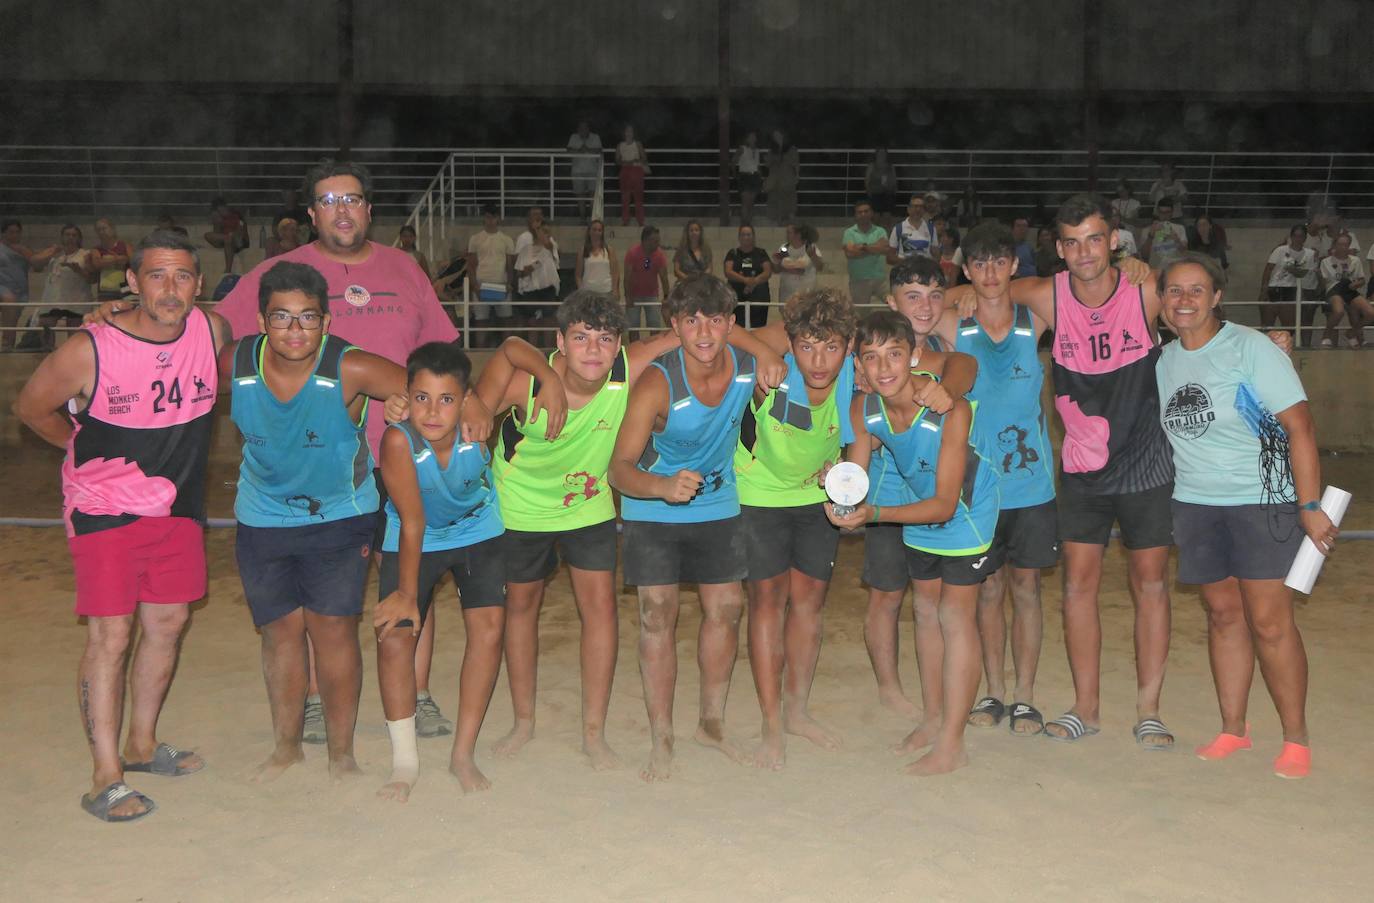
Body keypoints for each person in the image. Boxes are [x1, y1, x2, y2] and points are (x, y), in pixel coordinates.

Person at [15, 231, 231, 822]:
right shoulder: (91, 347)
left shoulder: (210, 333)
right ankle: (104, 777)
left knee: (168, 623)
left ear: (198, 284)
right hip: (105, 511)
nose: (170, 288)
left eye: (183, 275)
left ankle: (141, 745)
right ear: (131, 281)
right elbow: (31, 407)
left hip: (178, 508)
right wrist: (81, 453)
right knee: (110, 639)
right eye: (157, 275)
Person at [947, 195, 1177, 748]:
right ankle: (1086, 707)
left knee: (1150, 586)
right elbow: (975, 291)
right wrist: (956, 294)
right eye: (1072, 242)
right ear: (1057, 249)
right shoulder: (1046, 294)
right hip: (1080, 470)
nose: (1084, 252)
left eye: (1095, 239)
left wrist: (1274, 341)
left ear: (1115, 240)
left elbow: (1198, 319)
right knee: (1077, 588)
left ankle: (1149, 710)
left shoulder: (1145, 291)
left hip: (1146, 465)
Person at [479, 292, 692, 770]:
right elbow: (468, 412)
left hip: (589, 509)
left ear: (619, 346)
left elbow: (688, 334)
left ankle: (593, 733)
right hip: (519, 511)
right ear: (559, 342)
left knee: (600, 613)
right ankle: (524, 721)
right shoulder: (524, 384)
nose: (594, 350)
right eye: (581, 338)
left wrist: (762, 354)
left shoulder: (626, 370)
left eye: (605, 339)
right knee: (521, 610)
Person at [224, 261, 406, 785]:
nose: (295, 330)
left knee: (332, 632)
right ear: (262, 321)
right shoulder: (234, 364)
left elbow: (431, 392)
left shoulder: (350, 367)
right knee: (280, 634)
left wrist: (417, 405)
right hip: (261, 517)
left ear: (326, 322)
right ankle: (286, 748)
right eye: (282, 318)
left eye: (308, 318)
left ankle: (341, 755)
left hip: (340, 518)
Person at [1155, 253, 1335, 779]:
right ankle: (1234, 728)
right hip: (1195, 504)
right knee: (1224, 616)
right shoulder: (1163, 362)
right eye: (1174, 291)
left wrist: (1309, 505)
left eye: (1196, 290)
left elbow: (1300, 427)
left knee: (1271, 622)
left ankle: (1295, 736)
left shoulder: (1250, 348)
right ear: (1162, 300)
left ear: (1215, 298)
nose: (1184, 300)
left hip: (1263, 502)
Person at [607, 274, 770, 782]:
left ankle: (711, 722)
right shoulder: (657, 381)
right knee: (658, 615)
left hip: (716, 504)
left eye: (716, 320)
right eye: (692, 321)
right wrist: (660, 487)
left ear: (730, 324)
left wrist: (766, 351)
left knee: (726, 610)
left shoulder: (747, 368)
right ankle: (662, 736)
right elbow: (619, 468)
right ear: (674, 326)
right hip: (652, 506)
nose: (704, 332)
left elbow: (800, 335)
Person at [828, 310, 1000, 776]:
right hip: (918, 505)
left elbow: (946, 504)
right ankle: (932, 719)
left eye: (895, 355)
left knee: (953, 615)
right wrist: (841, 502)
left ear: (916, 356)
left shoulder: (950, 407)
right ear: (859, 368)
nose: (884, 368)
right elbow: (857, 476)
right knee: (924, 611)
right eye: (871, 358)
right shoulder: (863, 409)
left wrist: (875, 515)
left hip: (965, 510)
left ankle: (952, 742)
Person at [375, 342, 507, 798]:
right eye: (422, 398)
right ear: (407, 396)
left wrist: (545, 381)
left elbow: (512, 351)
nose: (433, 412)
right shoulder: (399, 439)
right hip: (415, 536)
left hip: (478, 531)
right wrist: (407, 596)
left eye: (447, 399)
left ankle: (463, 754)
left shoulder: (478, 423)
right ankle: (404, 763)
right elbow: (413, 521)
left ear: (466, 398)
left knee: (489, 630)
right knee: (395, 634)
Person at [733, 288, 858, 769]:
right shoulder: (778, 352)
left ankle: (797, 710)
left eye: (830, 346)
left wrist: (847, 485)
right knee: (768, 603)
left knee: (809, 604)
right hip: (758, 495)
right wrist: (766, 351)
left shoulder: (855, 369)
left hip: (816, 499)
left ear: (847, 346)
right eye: (806, 346)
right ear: (792, 341)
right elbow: (727, 328)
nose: (818, 359)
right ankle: (769, 722)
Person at [953, 224, 1058, 737]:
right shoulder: (956, 326)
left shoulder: (1034, 318)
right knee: (988, 591)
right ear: (967, 270)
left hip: (1032, 485)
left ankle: (1025, 697)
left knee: (1028, 588)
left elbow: (1082, 290)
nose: (991, 273)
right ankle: (993, 690)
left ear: (1015, 267)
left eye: (1000, 262)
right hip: (978, 489)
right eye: (980, 264)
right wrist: (960, 296)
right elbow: (915, 306)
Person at [860, 257, 975, 720]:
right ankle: (889, 686)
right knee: (887, 593)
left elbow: (964, 365)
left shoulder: (944, 356)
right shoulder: (870, 354)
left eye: (933, 297)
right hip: (887, 490)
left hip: (936, 494)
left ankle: (941, 701)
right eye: (912, 297)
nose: (925, 307)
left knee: (936, 602)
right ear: (892, 302)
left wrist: (947, 389)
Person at [29, 224, 95, 350]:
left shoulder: (85, 254)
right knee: (46, 326)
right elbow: (34, 262)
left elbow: (92, 279)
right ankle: (48, 354)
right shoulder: (54, 254)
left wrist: (78, 270)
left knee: (74, 336)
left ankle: (71, 359)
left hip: (76, 299)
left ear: (79, 238)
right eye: (67, 235)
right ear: (61, 237)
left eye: (74, 235)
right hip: (53, 298)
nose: (70, 238)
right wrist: (52, 251)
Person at [466, 205, 517, 349]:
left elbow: (510, 265)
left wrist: (509, 284)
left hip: (501, 283)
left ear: (498, 218)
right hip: (481, 283)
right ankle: (480, 352)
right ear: (484, 218)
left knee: (506, 319)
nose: (490, 221)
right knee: (481, 320)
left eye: (493, 217)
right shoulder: (475, 239)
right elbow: (470, 264)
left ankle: (509, 351)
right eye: (488, 217)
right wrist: (474, 285)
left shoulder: (506, 239)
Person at [1258, 224, 1316, 334]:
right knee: (1267, 325)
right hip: (1275, 287)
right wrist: (1263, 290)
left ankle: (1285, 345)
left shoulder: (1310, 254)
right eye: (1295, 236)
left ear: (1305, 238)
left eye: (1301, 236)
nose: (1298, 239)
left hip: (1292, 289)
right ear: (1291, 236)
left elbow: (1309, 274)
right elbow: (1268, 270)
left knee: (1290, 327)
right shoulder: (1280, 250)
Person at [1318, 232, 1372, 348]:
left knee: (1371, 313)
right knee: (1339, 311)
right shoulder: (1326, 262)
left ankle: (1351, 332)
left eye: (1346, 245)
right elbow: (1324, 283)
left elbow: (1362, 279)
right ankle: (1326, 335)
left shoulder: (1355, 260)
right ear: (1334, 245)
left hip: (1349, 289)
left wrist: (1356, 284)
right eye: (1340, 244)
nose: (1343, 247)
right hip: (1334, 289)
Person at [514, 208, 560, 337]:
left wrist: (547, 241)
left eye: (545, 231)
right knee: (532, 321)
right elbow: (519, 272)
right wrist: (526, 271)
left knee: (549, 320)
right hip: (531, 289)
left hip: (547, 287)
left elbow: (555, 259)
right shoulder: (525, 247)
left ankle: (548, 352)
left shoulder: (551, 245)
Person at [623, 225, 670, 337]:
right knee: (633, 326)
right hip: (634, 295)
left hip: (651, 294)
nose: (657, 243)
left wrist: (666, 297)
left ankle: (653, 352)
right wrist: (628, 296)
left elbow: (664, 278)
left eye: (658, 240)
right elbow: (627, 277)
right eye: (654, 241)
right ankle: (634, 352)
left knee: (655, 325)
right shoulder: (632, 253)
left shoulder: (659, 255)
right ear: (645, 240)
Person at [724, 224, 772, 328]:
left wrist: (754, 281)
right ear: (739, 237)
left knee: (757, 328)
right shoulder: (733, 253)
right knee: (737, 327)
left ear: (753, 236)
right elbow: (728, 272)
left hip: (759, 297)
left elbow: (767, 272)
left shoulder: (761, 253)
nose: (746, 237)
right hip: (737, 297)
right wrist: (745, 280)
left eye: (749, 234)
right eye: (743, 235)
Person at [843, 200, 890, 306]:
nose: (863, 214)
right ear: (855, 215)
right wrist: (874, 247)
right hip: (859, 280)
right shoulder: (849, 233)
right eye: (860, 212)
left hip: (880, 279)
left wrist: (862, 247)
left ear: (872, 213)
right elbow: (850, 254)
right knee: (862, 314)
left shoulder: (880, 231)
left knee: (891, 306)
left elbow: (885, 249)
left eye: (866, 211)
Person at [0, 219, 34, 351]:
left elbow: (37, 266)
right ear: (3, 234)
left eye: (17, 232)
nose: (14, 235)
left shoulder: (24, 250)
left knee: (12, 320)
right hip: (2, 286)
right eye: (10, 232)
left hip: (19, 290)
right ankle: (5, 343)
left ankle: (8, 347)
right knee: (9, 300)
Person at [773, 223, 822, 303]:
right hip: (787, 294)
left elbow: (820, 267)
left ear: (798, 234)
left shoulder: (811, 247)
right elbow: (776, 269)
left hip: (806, 294)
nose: (787, 235)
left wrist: (813, 256)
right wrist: (776, 261)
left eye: (789, 232)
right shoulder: (784, 248)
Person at [567, 120, 603, 221]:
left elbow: (599, 150)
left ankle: (593, 219)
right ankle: (582, 218)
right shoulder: (573, 137)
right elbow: (568, 150)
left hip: (592, 171)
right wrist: (579, 150)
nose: (583, 130)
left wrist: (587, 149)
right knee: (580, 196)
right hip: (577, 172)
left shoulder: (595, 137)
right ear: (578, 129)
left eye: (585, 127)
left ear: (588, 128)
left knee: (593, 196)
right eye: (581, 128)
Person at [204, 196, 249, 274]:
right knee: (207, 235)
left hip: (239, 241)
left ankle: (228, 270)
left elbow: (241, 232)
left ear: (225, 207)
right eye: (218, 211)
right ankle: (228, 237)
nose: (221, 212)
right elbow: (216, 234)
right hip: (226, 240)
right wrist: (218, 223)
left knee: (228, 239)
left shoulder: (236, 215)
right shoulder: (219, 218)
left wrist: (232, 235)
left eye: (221, 209)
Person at [888, 193, 939, 263]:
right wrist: (908, 262)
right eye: (915, 206)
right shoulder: (898, 228)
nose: (918, 209)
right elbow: (890, 258)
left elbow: (936, 256)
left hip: (924, 271)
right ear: (908, 209)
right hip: (904, 270)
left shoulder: (931, 229)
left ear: (924, 210)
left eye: (921, 207)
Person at [574, 219, 619, 296]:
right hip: (588, 292)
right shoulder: (582, 251)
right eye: (594, 230)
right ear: (589, 231)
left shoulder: (609, 250)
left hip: (607, 292)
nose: (596, 233)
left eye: (599, 230)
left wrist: (615, 290)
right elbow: (578, 275)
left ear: (602, 233)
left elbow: (615, 273)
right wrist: (581, 291)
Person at [90, 218, 131, 302]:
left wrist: (106, 260)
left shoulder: (124, 245)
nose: (102, 232)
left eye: (104, 228)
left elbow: (132, 262)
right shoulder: (96, 249)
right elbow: (97, 264)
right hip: (105, 291)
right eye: (99, 230)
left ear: (112, 229)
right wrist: (118, 259)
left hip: (125, 290)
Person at [1140, 199, 1188, 269]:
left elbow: (1184, 251)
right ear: (1158, 212)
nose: (1164, 215)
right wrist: (1150, 236)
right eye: (1161, 212)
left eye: (1167, 212)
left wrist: (1176, 239)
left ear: (1172, 212)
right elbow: (1144, 256)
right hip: (1155, 270)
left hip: (1175, 270)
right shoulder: (1147, 230)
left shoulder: (1180, 228)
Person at [765, 130, 800, 224]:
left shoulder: (791, 149)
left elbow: (796, 164)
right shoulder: (772, 150)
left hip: (788, 179)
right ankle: (778, 222)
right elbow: (767, 164)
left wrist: (797, 176)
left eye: (778, 135)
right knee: (776, 200)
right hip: (775, 180)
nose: (777, 137)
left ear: (783, 135)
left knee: (790, 201)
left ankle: (791, 224)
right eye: (775, 136)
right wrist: (774, 158)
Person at [616, 125, 648, 227]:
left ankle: (641, 221)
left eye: (631, 131)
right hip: (625, 171)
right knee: (625, 198)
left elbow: (644, 158)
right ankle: (625, 221)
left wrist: (635, 161)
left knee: (638, 198)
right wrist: (625, 162)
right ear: (624, 133)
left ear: (633, 133)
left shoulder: (637, 144)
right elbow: (617, 160)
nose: (629, 133)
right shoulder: (620, 145)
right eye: (627, 131)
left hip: (637, 170)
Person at [734, 130, 763, 226]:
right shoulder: (742, 148)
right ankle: (744, 224)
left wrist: (760, 176)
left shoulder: (757, 150)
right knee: (745, 202)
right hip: (745, 176)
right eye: (751, 136)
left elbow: (757, 166)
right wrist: (735, 174)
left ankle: (748, 224)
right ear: (747, 138)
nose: (753, 138)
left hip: (754, 177)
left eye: (754, 137)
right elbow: (733, 161)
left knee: (751, 203)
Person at [864, 148, 898, 224]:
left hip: (888, 193)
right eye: (880, 153)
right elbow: (867, 179)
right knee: (876, 216)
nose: (882, 155)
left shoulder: (890, 166)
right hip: (875, 192)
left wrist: (894, 189)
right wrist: (868, 191)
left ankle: (886, 234)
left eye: (883, 153)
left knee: (887, 215)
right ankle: (875, 234)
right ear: (876, 154)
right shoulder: (872, 166)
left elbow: (894, 179)